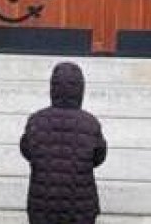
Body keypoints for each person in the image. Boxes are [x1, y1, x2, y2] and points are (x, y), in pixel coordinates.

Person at [20, 62, 108, 224]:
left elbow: (26, 150)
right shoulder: (90, 123)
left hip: (43, 203)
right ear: (80, 90)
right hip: (80, 204)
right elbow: (99, 156)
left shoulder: (36, 120)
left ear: (52, 89)